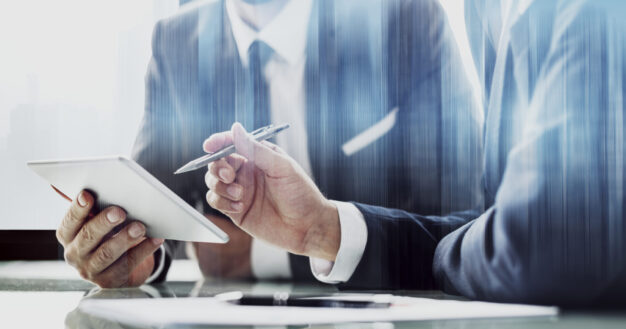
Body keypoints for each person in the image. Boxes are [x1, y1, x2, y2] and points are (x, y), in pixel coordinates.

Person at [204, 0, 626, 306]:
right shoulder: (488, 12)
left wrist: (445, 254)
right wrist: (323, 230)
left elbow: (547, 244)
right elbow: (495, 225)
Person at [54, 0, 482, 288]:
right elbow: (152, 210)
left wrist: (268, 255)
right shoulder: (176, 43)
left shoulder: (404, 19)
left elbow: (470, 224)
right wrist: (134, 258)